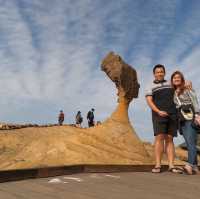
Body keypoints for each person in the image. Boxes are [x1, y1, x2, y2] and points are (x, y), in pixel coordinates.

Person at [145, 64, 182, 173]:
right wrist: (158, 111)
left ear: (164, 73)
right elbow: (149, 101)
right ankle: (158, 165)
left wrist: (187, 84)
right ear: (154, 74)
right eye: (157, 72)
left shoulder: (170, 84)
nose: (159, 73)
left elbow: (180, 86)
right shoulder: (150, 86)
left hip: (172, 114)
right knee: (159, 138)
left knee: (170, 139)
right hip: (158, 114)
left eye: (161, 71)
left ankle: (171, 166)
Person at [171, 71, 199, 174]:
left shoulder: (187, 88)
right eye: (174, 78)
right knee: (189, 142)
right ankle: (195, 167)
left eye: (178, 77)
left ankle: (189, 165)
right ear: (172, 81)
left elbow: (195, 100)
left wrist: (197, 115)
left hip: (190, 117)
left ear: (182, 79)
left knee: (191, 143)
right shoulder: (174, 92)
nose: (176, 79)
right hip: (181, 119)